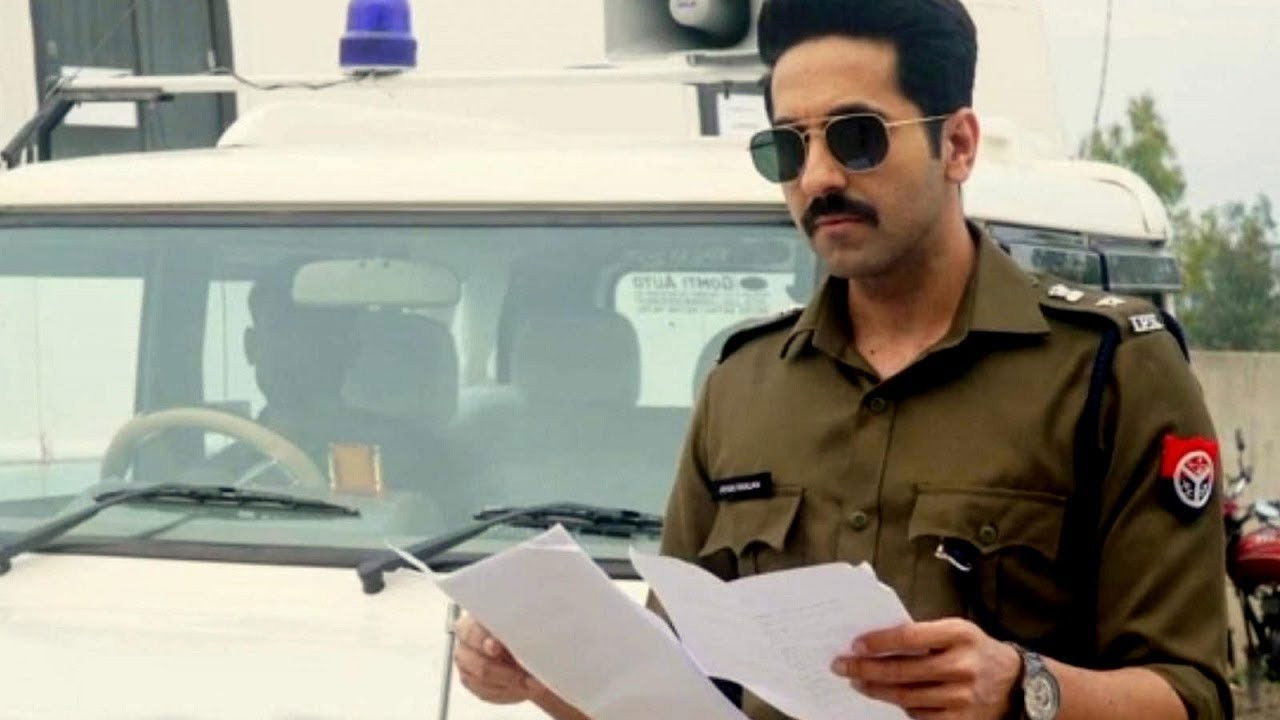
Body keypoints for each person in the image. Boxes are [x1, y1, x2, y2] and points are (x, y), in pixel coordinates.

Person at [451, 1, 1231, 718]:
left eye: (858, 136)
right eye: (788, 147)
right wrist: (545, 673)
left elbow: (1192, 696)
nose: (818, 177)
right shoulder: (743, 384)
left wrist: (1022, 687)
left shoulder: (1109, 370)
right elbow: (677, 696)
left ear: (958, 145)